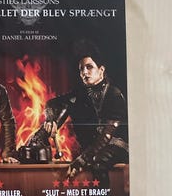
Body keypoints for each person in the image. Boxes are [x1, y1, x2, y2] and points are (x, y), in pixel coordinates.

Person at [42, 52, 128, 185]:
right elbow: (52, 103)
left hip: (117, 145)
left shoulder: (114, 94)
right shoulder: (81, 94)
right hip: (95, 147)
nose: (84, 72)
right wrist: (50, 119)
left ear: (101, 70)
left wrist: (81, 160)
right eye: (81, 69)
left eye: (89, 67)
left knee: (98, 163)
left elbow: (107, 135)